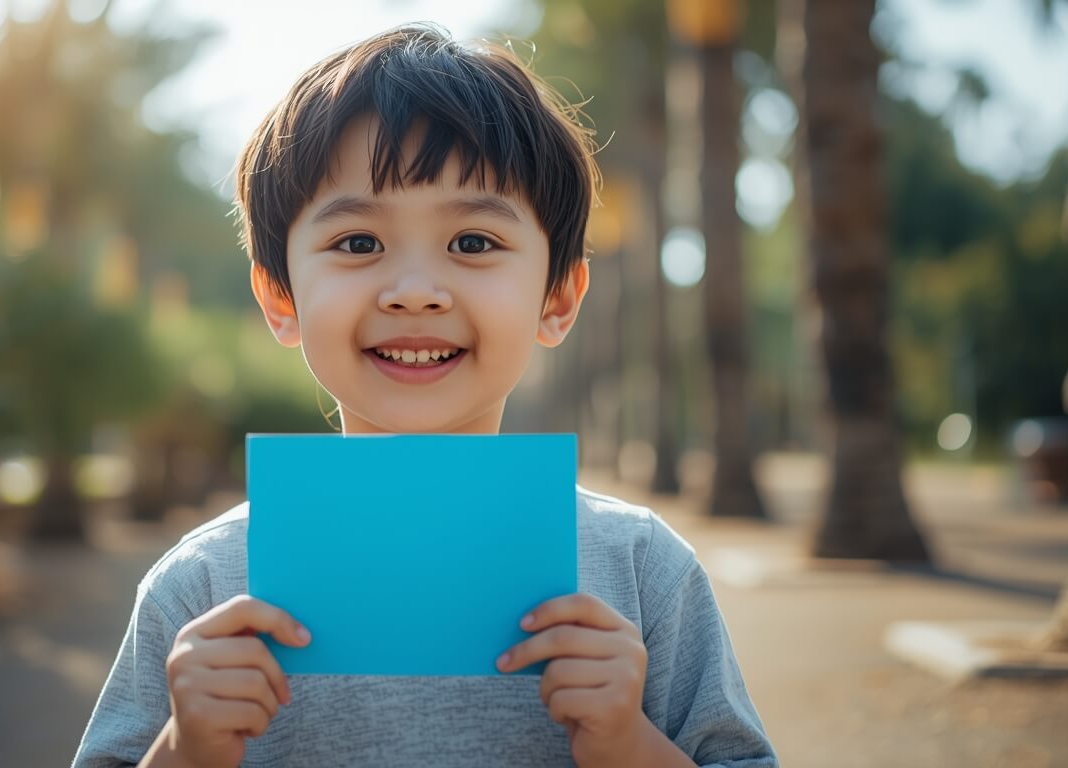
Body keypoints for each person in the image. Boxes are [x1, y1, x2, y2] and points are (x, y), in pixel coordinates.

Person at [72, 22, 777, 768]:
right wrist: (185, 751)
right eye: (358, 243)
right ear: (281, 298)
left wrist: (629, 744)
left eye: (473, 243)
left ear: (558, 298)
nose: (414, 291)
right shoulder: (203, 586)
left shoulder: (641, 571)